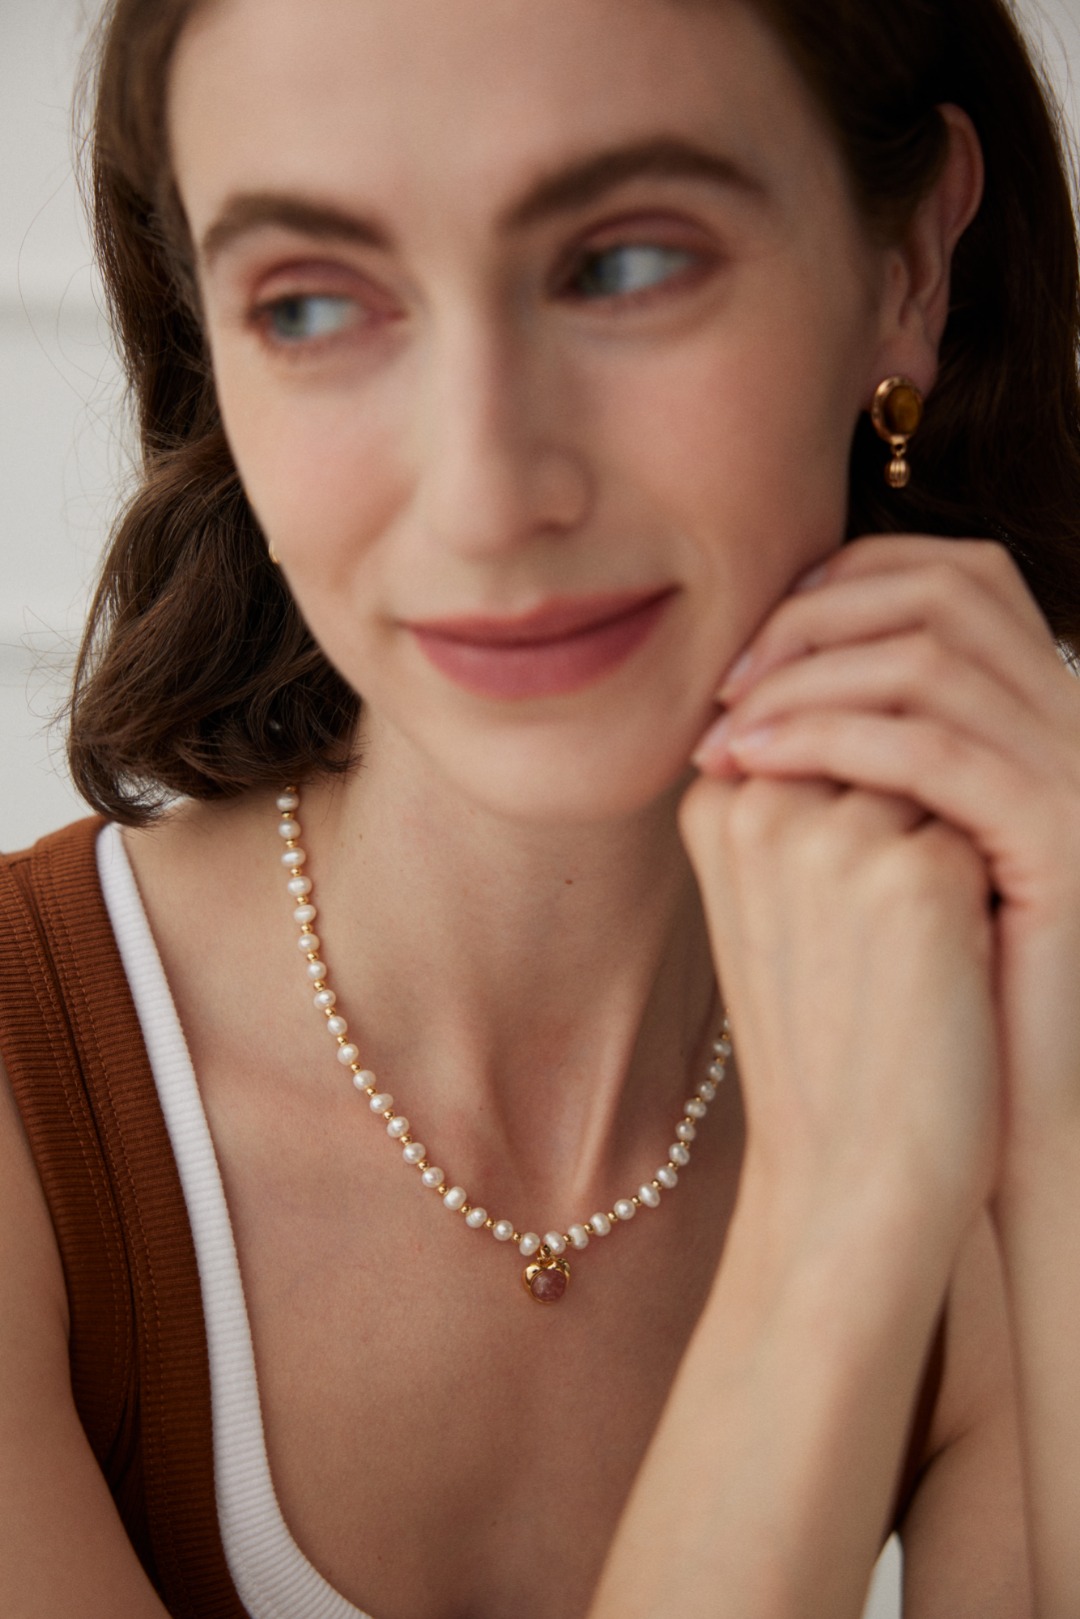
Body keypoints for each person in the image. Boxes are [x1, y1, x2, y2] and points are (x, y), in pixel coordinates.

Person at [1, 0, 1079, 1613]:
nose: (489, 492)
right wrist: (830, 1236)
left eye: (625, 265)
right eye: (310, 303)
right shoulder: (32, 1092)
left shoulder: (1012, 1076)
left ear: (910, 265)